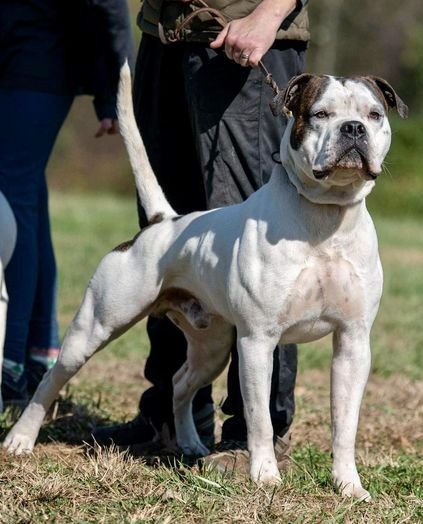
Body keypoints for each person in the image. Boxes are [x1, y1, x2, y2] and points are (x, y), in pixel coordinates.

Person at [92, 0, 310, 471]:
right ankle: (167, 420)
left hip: (245, 37)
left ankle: (252, 438)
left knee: (256, 255)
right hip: (166, 35)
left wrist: (269, 15)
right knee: (167, 240)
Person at [0, 0, 133, 407]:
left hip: (37, 58)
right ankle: (37, 352)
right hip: (20, 54)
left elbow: (109, 5)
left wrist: (114, 86)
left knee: (13, 196)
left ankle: (11, 361)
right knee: (26, 197)